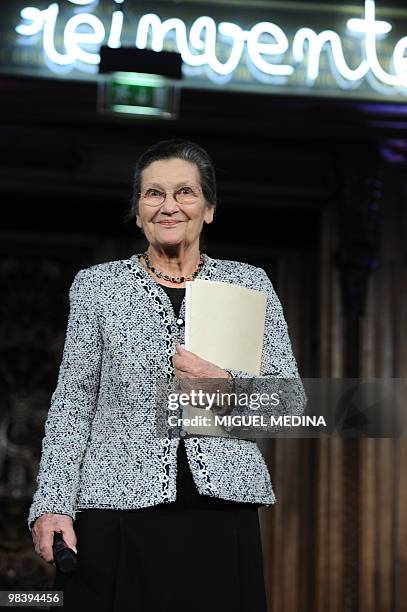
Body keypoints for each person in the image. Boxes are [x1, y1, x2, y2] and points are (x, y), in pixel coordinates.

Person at [28, 138, 306, 612]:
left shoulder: (248, 283)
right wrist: (53, 502)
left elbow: (292, 407)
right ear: (137, 212)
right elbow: (73, 405)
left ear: (209, 209)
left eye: (185, 192)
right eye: (153, 194)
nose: (168, 206)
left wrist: (228, 390)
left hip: (219, 516)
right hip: (115, 513)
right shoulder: (98, 286)